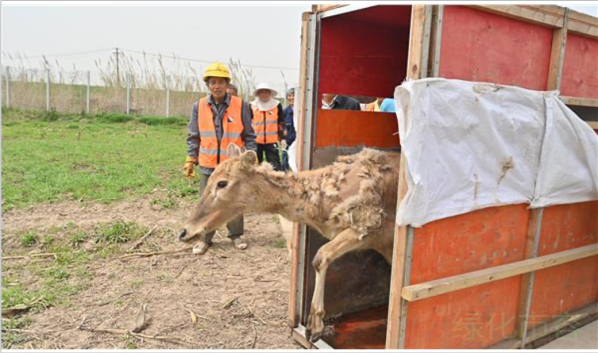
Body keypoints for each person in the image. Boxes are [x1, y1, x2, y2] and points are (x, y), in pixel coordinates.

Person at [183, 62, 257, 255]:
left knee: (234, 200)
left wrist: (250, 158)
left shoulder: (241, 105)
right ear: (207, 85)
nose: (216, 86)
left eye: (220, 82)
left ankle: (236, 235)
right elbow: (193, 134)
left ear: (227, 84)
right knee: (206, 202)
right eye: (213, 82)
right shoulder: (198, 106)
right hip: (208, 164)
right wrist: (191, 158)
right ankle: (204, 239)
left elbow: (249, 135)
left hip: (232, 165)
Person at [250, 82, 284, 171]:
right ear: (258, 94)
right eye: (262, 92)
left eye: (266, 92)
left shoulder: (277, 105)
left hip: (271, 141)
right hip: (256, 141)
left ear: (270, 93)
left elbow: (281, 122)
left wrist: (282, 137)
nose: (264, 94)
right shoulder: (252, 106)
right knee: (255, 166)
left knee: (275, 165)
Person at [281, 88, 297, 171]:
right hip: (288, 141)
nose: (292, 98)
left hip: (300, 142)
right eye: (290, 96)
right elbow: (282, 127)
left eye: (294, 95)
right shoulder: (285, 112)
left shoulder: (303, 110)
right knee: (285, 162)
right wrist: (283, 139)